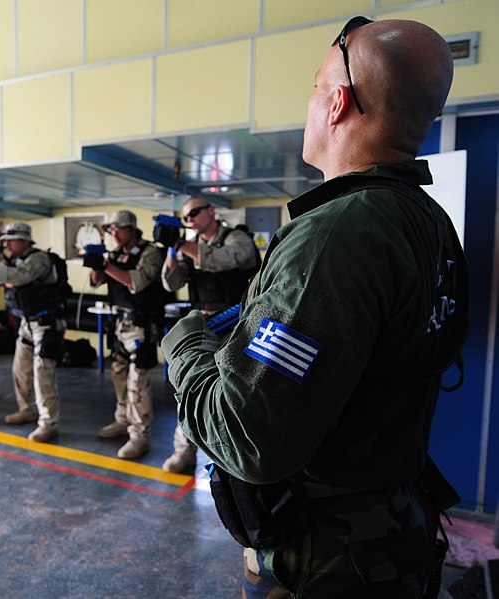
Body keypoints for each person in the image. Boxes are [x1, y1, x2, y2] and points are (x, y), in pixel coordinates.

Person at [161, 17, 469, 598]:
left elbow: (246, 439)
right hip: (394, 531)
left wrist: (186, 348)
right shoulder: (429, 223)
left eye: (313, 85)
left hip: (326, 561)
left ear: (338, 103)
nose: (308, 101)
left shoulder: (334, 235)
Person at [159, 197, 260, 473]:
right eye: (185, 217)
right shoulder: (190, 246)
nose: (189, 220)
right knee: (188, 386)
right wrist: (170, 249)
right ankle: (184, 449)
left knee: (233, 391)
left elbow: (223, 260)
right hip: (201, 326)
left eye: (193, 213)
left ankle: (231, 456)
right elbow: (172, 282)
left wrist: (181, 244)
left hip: (235, 326)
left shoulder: (236, 238)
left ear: (211, 211)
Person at [85, 210, 168, 459]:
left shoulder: (149, 252)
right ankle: (122, 420)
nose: (115, 234)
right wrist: (95, 262)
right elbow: (95, 281)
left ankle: (140, 435)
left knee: (138, 383)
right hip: (119, 323)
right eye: (111, 230)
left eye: (118, 229)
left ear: (131, 228)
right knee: (118, 373)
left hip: (140, 325)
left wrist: (105, 265)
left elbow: (136, 282)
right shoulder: (115, 254)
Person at [0, 222, 65, 443]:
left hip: (47, 324)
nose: (7, 244)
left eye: (12, 240)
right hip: (26, 323)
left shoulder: (39, 259)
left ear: (25, 240)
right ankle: (26, 408)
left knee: (42, 373)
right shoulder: (11, 261)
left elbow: (19, 277)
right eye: (5, 240)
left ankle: (49, 423)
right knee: (20, 369)